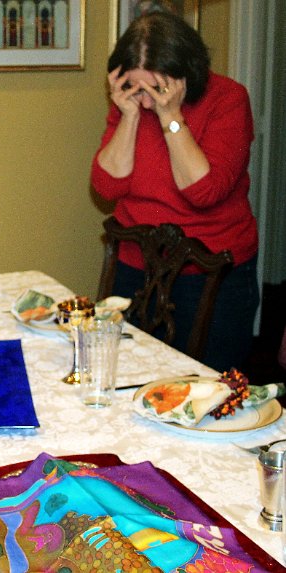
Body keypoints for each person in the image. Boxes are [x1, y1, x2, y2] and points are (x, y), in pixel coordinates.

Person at [91, 11, 258, 373]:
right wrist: (129, 116)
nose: (145, 100)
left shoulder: (228, 99)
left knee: (207, 390)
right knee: (126, 379)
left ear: (185, 74)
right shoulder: (131, 105)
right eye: (135, 87)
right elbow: (106, 187)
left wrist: (172, 119)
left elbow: (203, 191)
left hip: (212, 273)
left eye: (156, 89)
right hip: (137, 266)